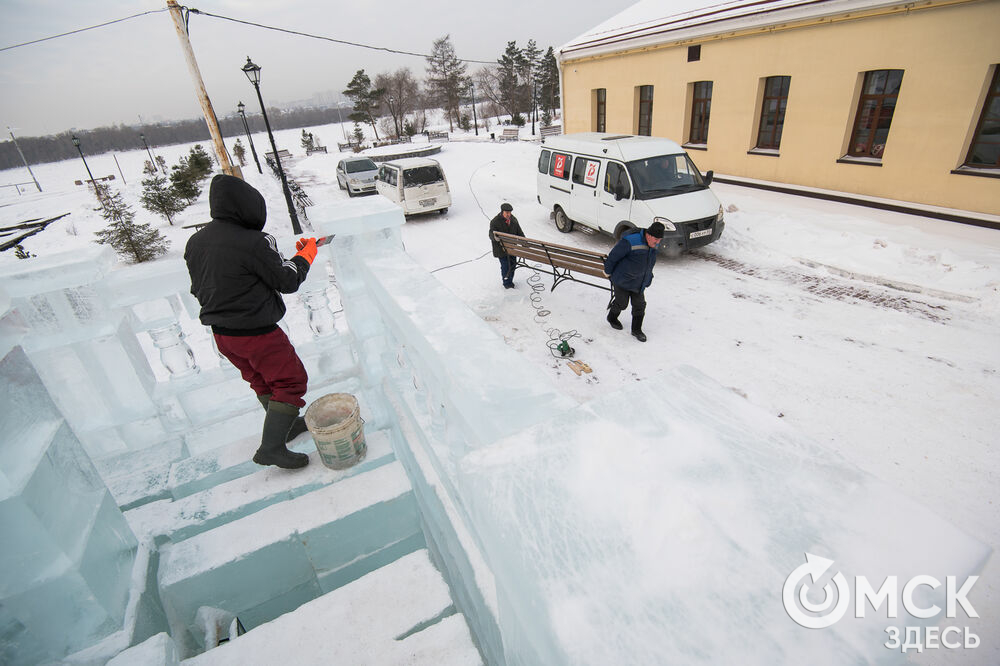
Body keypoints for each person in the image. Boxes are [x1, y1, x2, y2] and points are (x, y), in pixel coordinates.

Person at [184, 174, 318, 469]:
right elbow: (286, 279)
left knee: (261, 379)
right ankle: (271, 447)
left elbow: (201, 285)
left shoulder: (196, 241)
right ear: (248, 206)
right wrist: (305, 256)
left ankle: (288, 425)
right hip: (258, 334)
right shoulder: (255, 241)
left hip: (223, 336)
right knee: (291, 381)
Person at [603, 221, 664, 342]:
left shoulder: (653, 244)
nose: (658, 243)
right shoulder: (631, 241)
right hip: (622, 279)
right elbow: (613, 256)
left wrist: (648, 277)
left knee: (640, 305)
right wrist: (607, 271)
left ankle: (636, 330)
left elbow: (650, 263)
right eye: (656, 240)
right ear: (648, 235)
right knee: (622, 303)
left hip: (639, 281)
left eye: (660, 240)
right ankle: (612, 317)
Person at [489, 202, 525, 289]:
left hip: (512, 248)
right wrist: (495, 238)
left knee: (513, 264)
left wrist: (524, 242)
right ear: (502, 212)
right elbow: (490, 234)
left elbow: (519, 232)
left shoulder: (513, 220)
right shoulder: (495, 221)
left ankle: (510, 280)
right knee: (505, 265)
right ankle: (507, 283)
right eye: (507, 212)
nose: (509, 214)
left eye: (510, 212)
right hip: (501, 250)